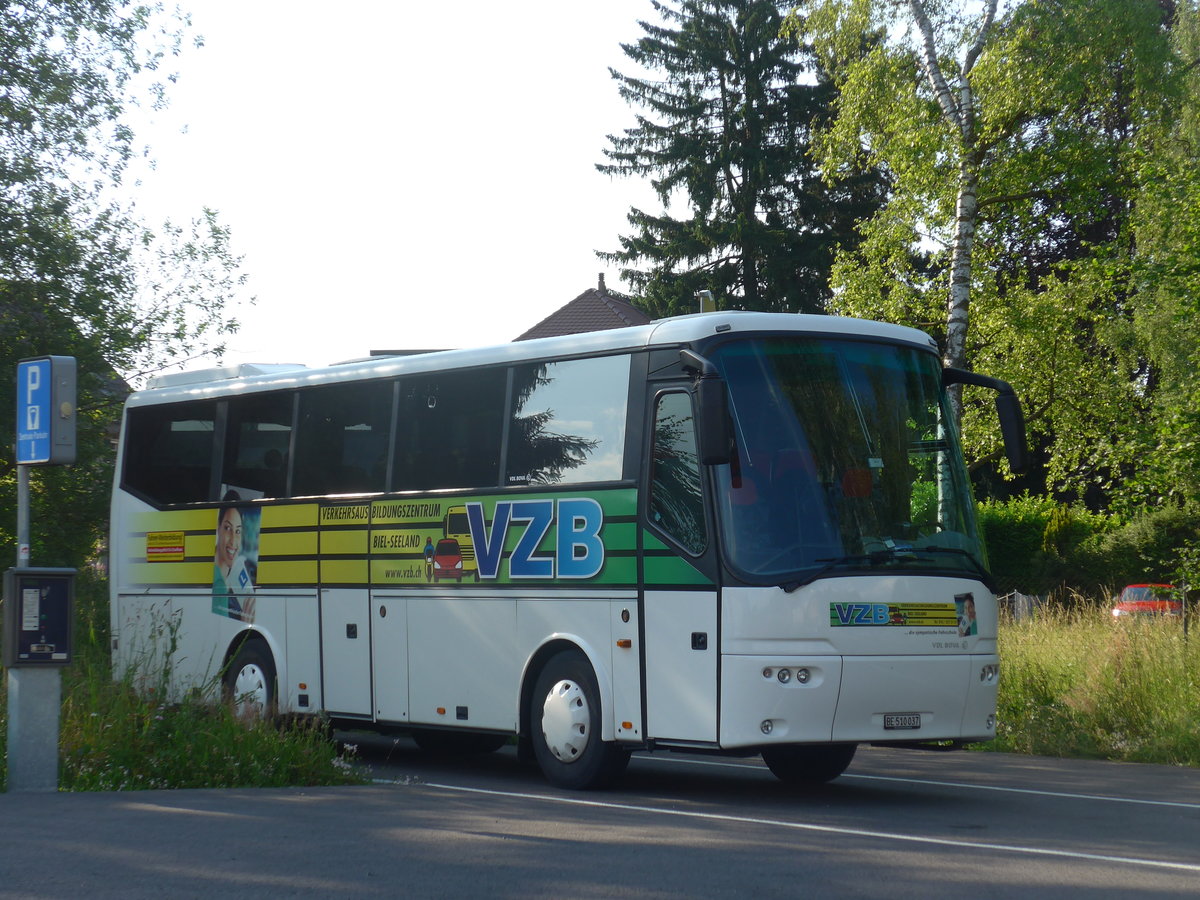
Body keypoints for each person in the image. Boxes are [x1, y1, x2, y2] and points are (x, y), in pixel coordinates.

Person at [214, 502, 256, 622]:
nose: (233, 541)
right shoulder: (218, 584)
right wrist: (245, 624)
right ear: (218, 528)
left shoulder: (232, 581)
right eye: (227, 528)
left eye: (237, 531)